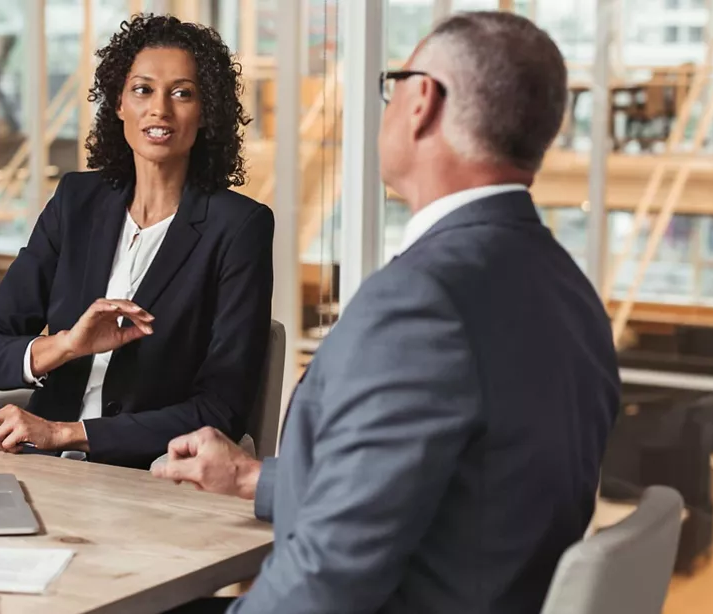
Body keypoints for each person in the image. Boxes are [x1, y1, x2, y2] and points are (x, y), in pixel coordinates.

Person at [152, 12, 619, 613]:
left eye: (391, 85)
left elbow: (327, 579)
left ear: (422, 100)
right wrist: (252, 479)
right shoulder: (565, 286)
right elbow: (445, 493)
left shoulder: (423, 303)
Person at [0, 14, 274, 469]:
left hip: (150, 472)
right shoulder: (75, 202)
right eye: (142, 90)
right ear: (120, 104)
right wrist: (68, 344)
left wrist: (67, 433)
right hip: (42, 467)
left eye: (182, 93)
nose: (159, 109)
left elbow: (221, 408)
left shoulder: (239, 226)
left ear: (206, 113)